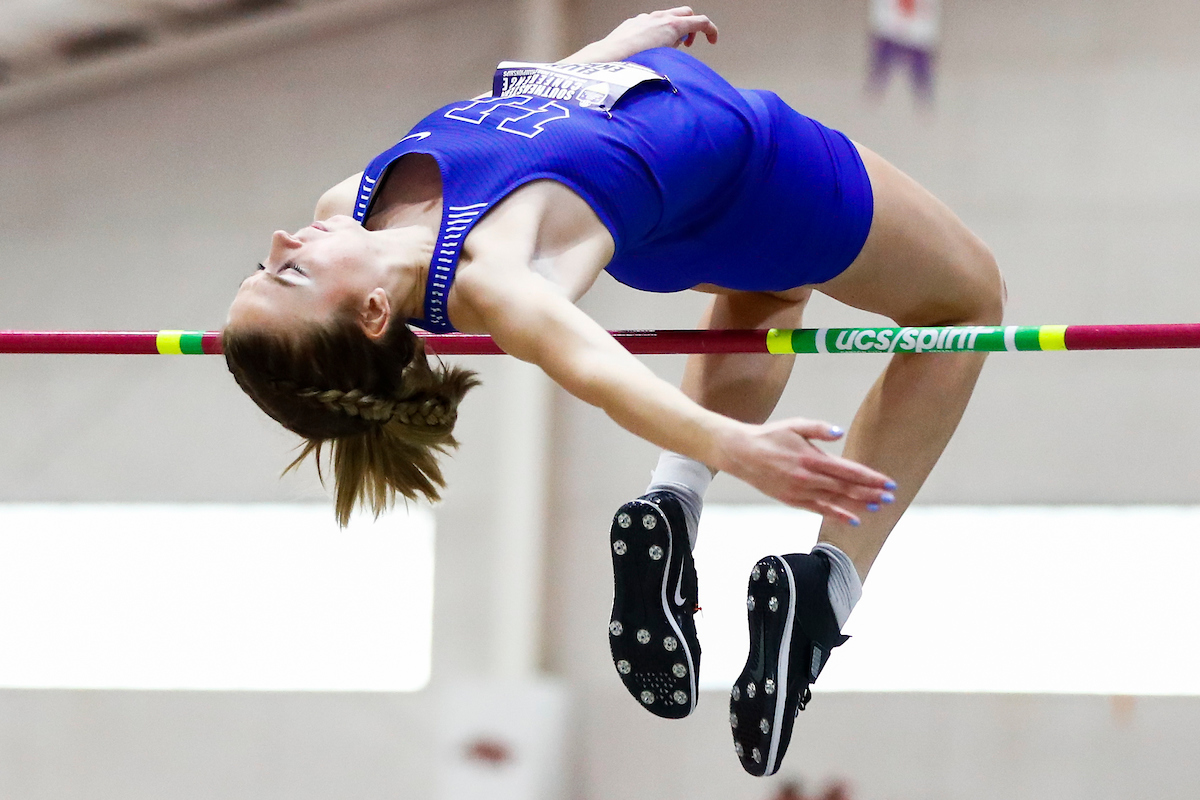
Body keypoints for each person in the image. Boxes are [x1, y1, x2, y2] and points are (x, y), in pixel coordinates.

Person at [224, 7, 1004, 778]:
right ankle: (829, 586)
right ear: (369, 315)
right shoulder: (496, 274)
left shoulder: (348, 204)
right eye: (290, 274)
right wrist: (731, 443)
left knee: (768, 296)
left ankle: (676, 505)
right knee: (967, 305)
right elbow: (594, 368)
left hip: (662, 196)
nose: (281, 243)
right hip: (755, 171)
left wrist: (615, 46)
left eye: (265, 265)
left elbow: (522, 117)